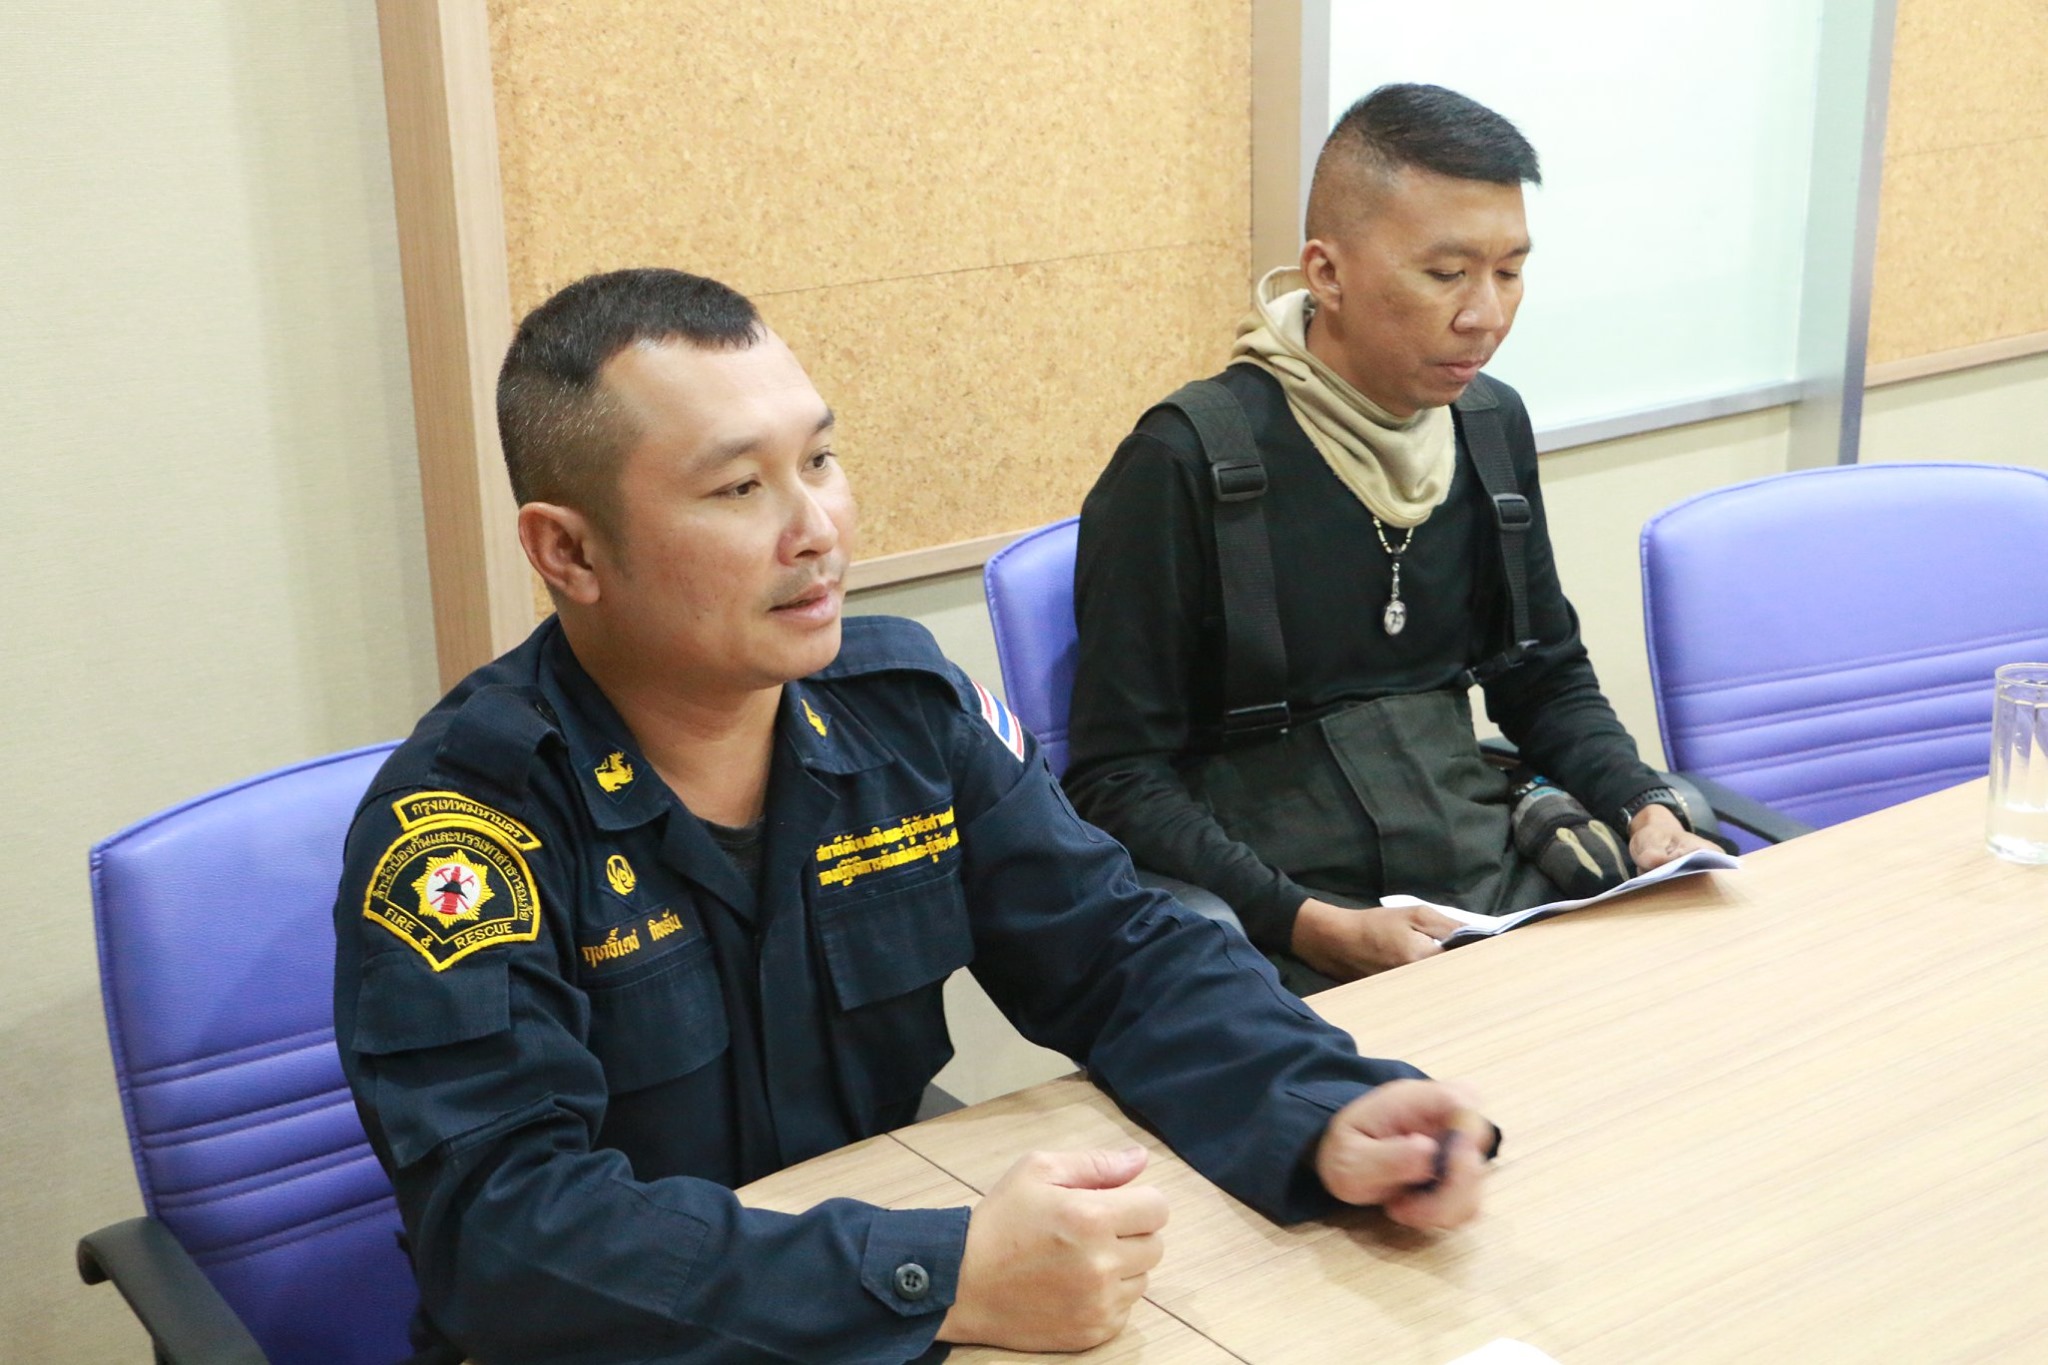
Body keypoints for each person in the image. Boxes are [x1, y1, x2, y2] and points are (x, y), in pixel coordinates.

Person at [332, 267, 1496, 1364]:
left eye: (819, 460)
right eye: (738, 488)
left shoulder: (900, 711)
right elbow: (506, 1235)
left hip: (873, 1306)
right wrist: (941, 1275)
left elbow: (1116, 952)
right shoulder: (464, 835)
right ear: (569, 550)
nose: (816, 530)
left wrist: (1316, 1107)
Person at [1065, 84, 1718, 995]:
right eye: (1446, 274)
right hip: (1283, 917)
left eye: (1510, 271)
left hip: (1480, 887)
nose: (1486, 315)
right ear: (1326, 274)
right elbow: (1117, 778)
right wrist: (1308, 922)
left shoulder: (1487, 427)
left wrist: (1641, 803)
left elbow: (1542, 677)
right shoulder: (1187, 462)